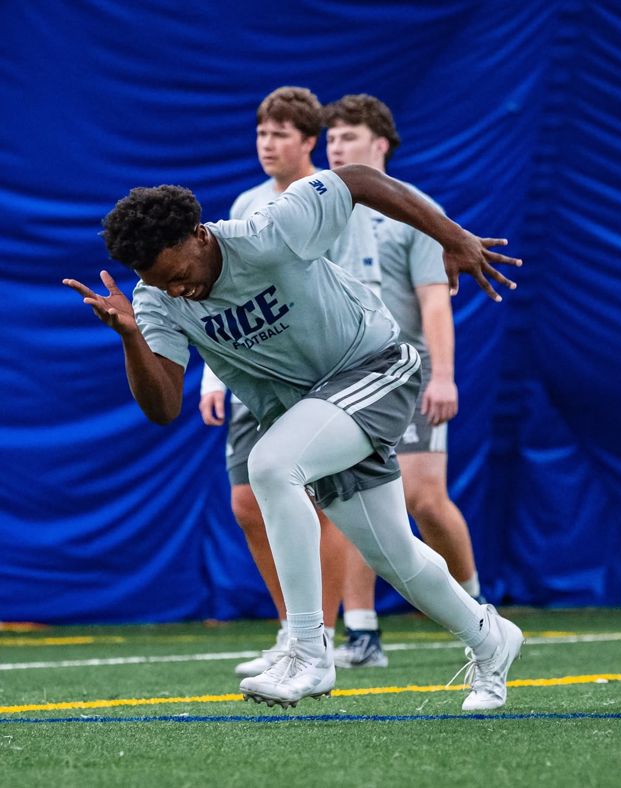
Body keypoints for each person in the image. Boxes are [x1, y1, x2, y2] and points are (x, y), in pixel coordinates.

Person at [63, 161, 523, 710]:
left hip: (374, 367)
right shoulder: (156, 299)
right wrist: (131, 338)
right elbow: (163, 407)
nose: (177, 289)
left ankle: (308, 651)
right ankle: (491, 639)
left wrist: (452, 236)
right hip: (313, 408)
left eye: (177, 273)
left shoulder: (271, 230)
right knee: (394, 555)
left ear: (199, 235)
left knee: (271, 465)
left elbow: (359, 179)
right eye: (162, 283)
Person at [198, 87, 381, 677]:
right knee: (247, 503)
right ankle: (291, 632)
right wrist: (211, 377)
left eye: (280, 134)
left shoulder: (333, 197)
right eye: (261, 133)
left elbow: (361, 285)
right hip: (256, 377)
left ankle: (317, 638)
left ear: (309, 142)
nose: (267, 144)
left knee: (321, 506)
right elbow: (218, 296)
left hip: (323, 373)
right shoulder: (247, 203)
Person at [324, 94, 486, 669]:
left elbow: (434, 301)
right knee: (354, 500)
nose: (336, 148)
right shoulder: (319, 208)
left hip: (407, 373)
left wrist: (444, 377)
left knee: (424, 501)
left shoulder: (414, 209)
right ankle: (362, 634)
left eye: (347, 137)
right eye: (331, 139)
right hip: (343, 379)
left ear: (381, 144)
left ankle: (477, 610)